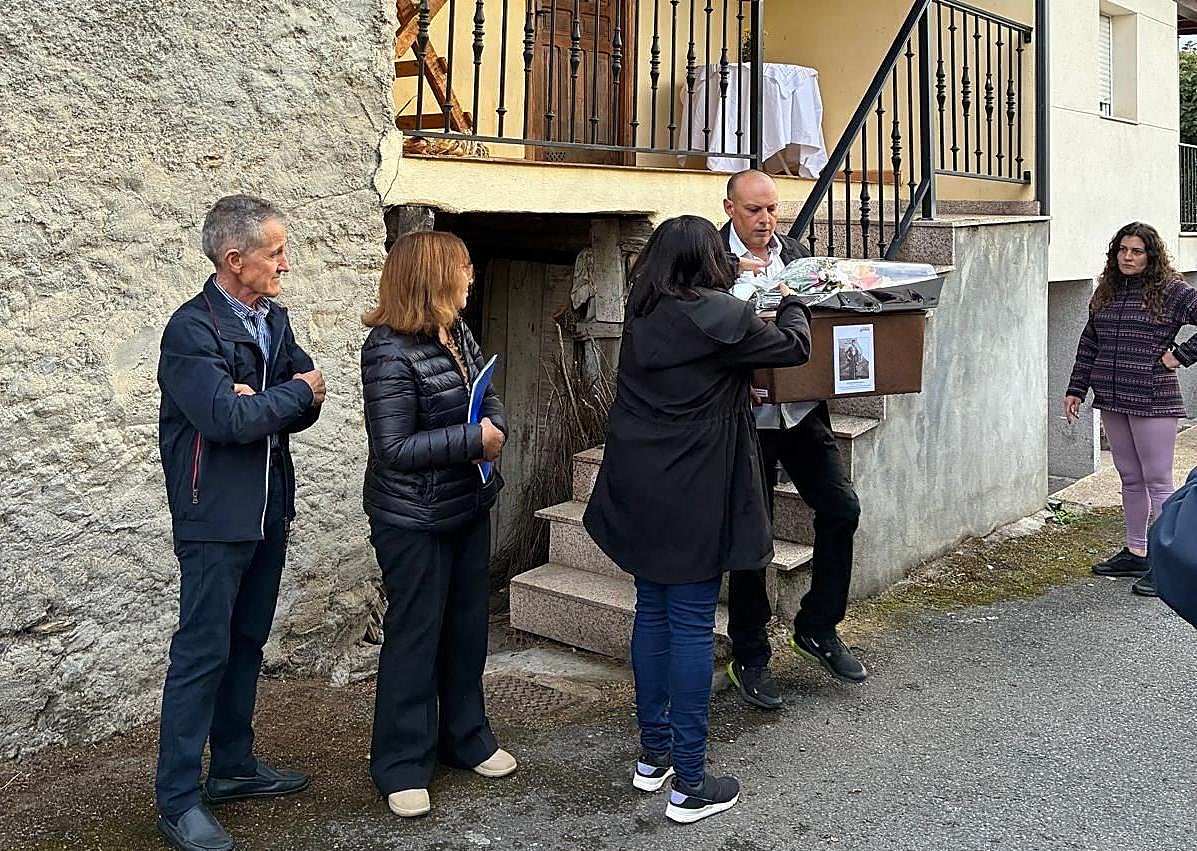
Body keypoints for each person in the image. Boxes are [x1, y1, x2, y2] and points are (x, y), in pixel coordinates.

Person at [583, 215, 812, 824]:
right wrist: (789, 300)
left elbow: (706, 345)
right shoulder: (723, 317)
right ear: (707, 261)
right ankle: (689, 782)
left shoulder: (646, 311)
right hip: (694, 489)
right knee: (688, 624)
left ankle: (653, 755)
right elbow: (794, 348)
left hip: (640, 484)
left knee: (651, 612)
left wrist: (738, 280)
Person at [155, 195, 326, 851]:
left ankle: (231, 767)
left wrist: (274, 400)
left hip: (266, 510)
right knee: (201, 654)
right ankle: (176, 799)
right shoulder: (190, 331)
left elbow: (307, 392)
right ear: (234, 259)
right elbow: (225, 420)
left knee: (247, 642)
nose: (285, 262)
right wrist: (280, 398)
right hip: (212, 517)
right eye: (274, 251)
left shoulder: (270, 321)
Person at [360, 230, 514, 819]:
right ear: (434, 276)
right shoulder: (387, 349)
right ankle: (401, 765)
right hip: (412, 518)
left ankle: (465, 738)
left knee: (467, 628)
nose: (472, 277)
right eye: (465, 268)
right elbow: (393, 446)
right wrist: (475, 439)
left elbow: (485, 393)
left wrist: (491, 421)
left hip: (466, 504)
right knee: (416, 635)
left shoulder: (456, 332)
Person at [718, 169, 867, 713]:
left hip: (801, 413)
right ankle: (750, 654)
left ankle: (818, 627)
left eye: (773, 209)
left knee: (841, 509)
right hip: (743, 421)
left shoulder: (797, 255)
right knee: (752, 537)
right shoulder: (710, 259)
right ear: (731, 207)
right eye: (755, 211)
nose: (766, 221)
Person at [1064, 221, 1197, 596]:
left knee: (1158, 480)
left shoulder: (1172, 291)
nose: (1128, 257)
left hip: (1153, 397)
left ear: (1151, 256)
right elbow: (1089, 343)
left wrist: (1180, 355)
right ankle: (1137, 551)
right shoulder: (1105, 291)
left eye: (1137, 251)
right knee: (1129, 478)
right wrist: (1077, 388)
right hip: (1112, 396)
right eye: (1123, 250)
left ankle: (1167, 562)